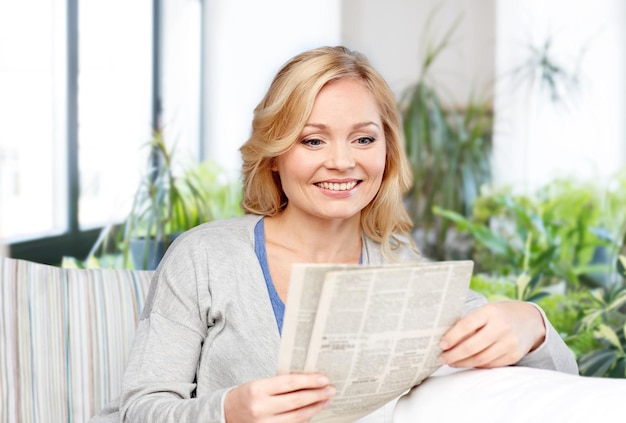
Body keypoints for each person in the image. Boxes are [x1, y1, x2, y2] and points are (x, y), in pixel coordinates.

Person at [91, 46, 577, 423]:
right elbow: (139, 409)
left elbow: (560, 384)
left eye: (364, 138)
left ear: (386, 149)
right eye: (313, 139)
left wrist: (530, 324)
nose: (343, 162)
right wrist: (228, 411)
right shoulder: (206, 257)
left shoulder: (401, 267)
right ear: (275, 153)